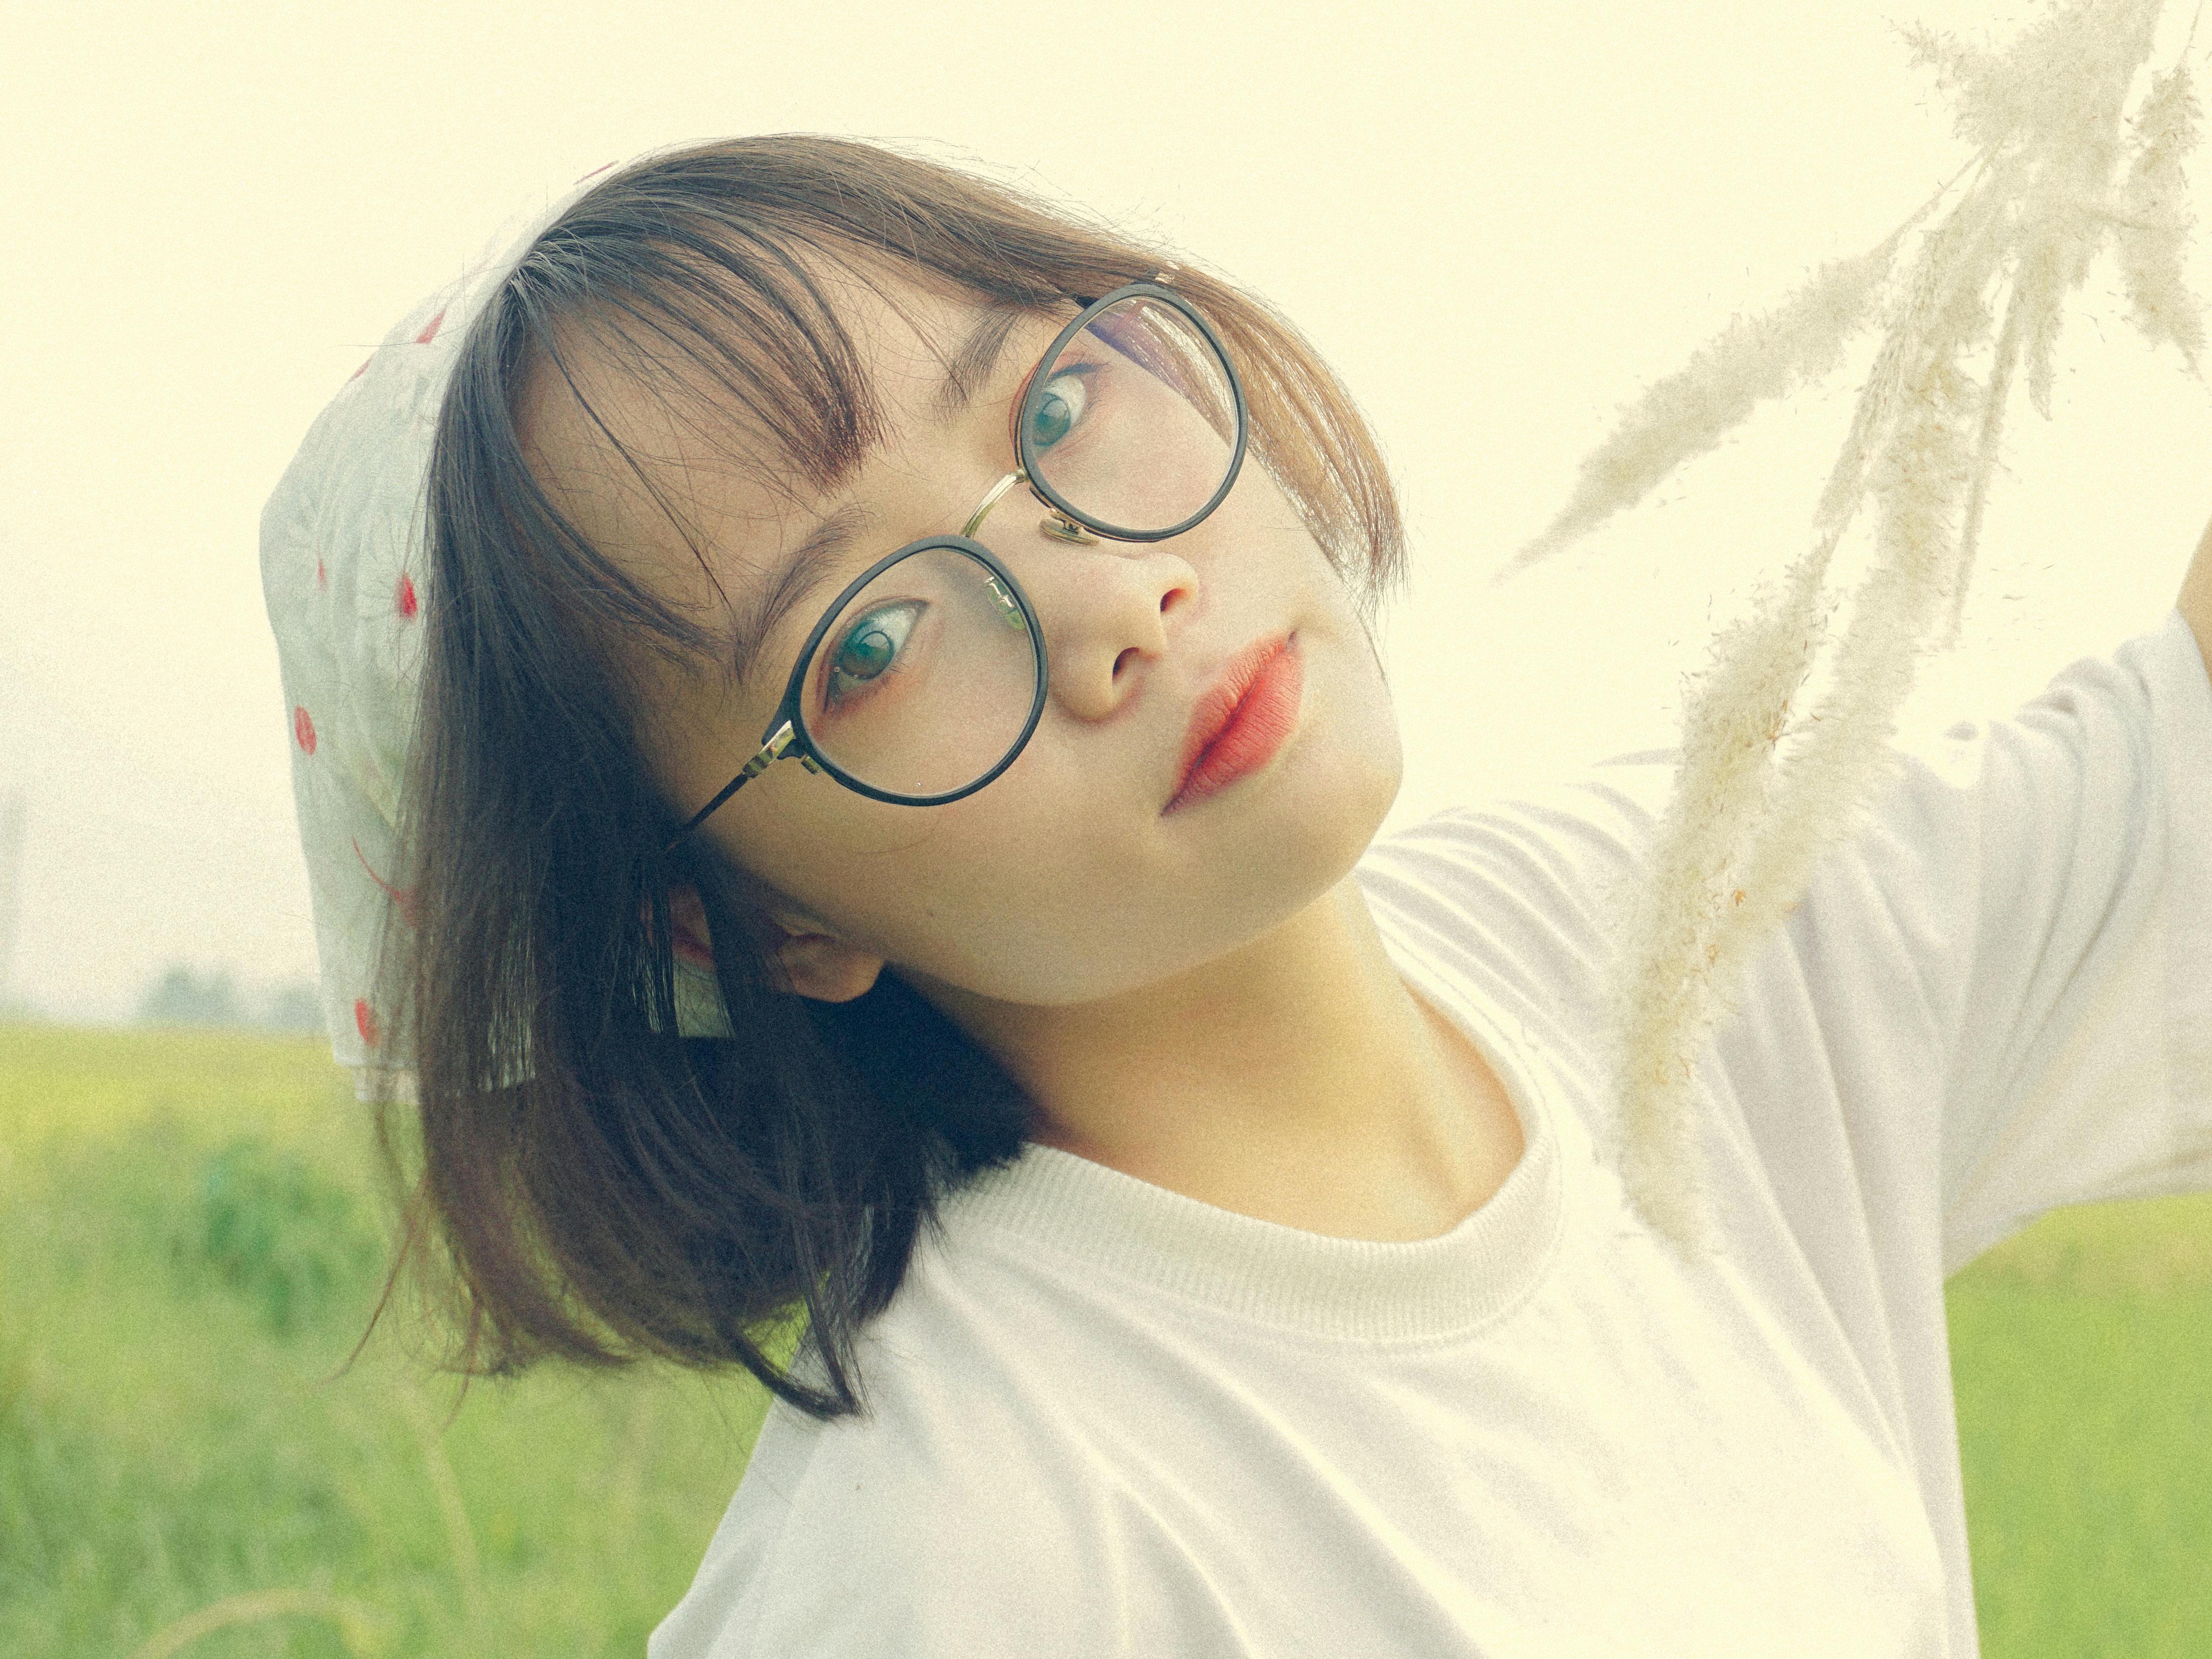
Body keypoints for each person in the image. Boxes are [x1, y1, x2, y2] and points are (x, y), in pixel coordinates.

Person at [261, 134, 2212, 1657]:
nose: (1108, 594)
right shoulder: (968, 1555)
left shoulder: (1648, 946)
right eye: (863, 644)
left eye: (1045, 406)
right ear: (748, 925)